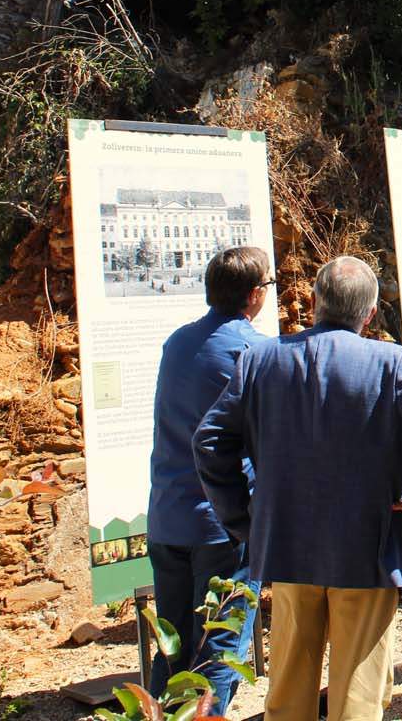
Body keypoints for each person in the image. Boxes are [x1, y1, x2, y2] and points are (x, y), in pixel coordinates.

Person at [193, 256, 402, 721]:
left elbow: (210, 439)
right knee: (357, 689)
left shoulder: (262, 359)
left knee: (289, 684)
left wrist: (242, 518)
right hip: (366, 549)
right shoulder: (391, 363)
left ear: (316, 302)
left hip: (288, 544)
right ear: (371, 313)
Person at [145, 246, 271, 714]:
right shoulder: (253, 351)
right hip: (222, 524)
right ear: (255, 294)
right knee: (220, 648)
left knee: (172, 647)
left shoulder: (177, 342)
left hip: (168, 516)